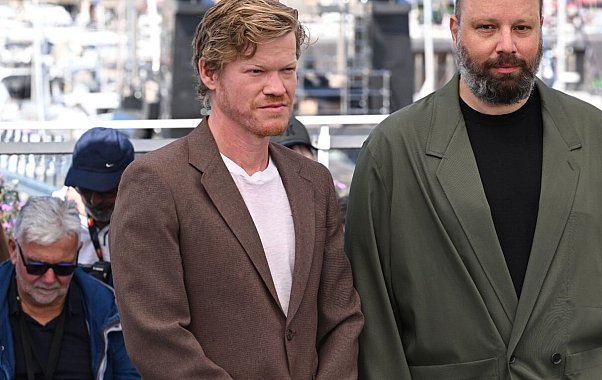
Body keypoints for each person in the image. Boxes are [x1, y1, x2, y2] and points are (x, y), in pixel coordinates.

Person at [344, 0, 602, 378]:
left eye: (522, 29)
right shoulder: (393, 150)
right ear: (455, 30)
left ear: (540, 28)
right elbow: (373, 312)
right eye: (487, 28)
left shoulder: (595, 136)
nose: (507, 45)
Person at [110, 0, 363, 378]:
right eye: (256, 71)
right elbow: (157, 337)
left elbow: (342, 316)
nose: (277, 88)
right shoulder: (156, 183)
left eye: (288, 70)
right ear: (209, 72)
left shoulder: (313, 182)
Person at [0, 196, 139, 379]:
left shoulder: (107, 309)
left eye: (63, 268)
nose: (49, 279)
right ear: (13, 251)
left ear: (77, 254)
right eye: (36, 267)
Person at [61, 127, 135, 285]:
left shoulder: (150, 219)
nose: (94, 201)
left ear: (129, 184)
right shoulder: (56, 220)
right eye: (86, 190)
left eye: (106, 192)